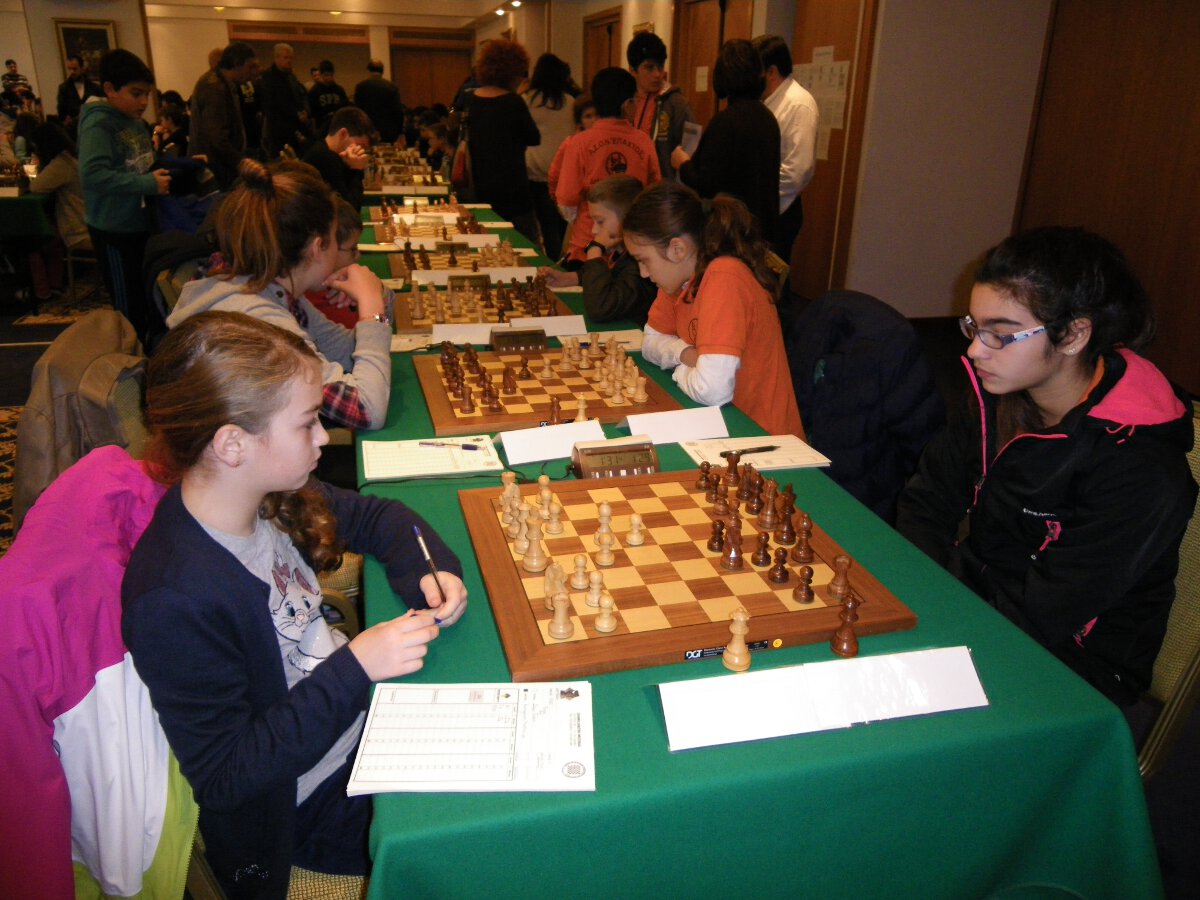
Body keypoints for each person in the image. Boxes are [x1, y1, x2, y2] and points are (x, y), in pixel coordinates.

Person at [122, 310, 466, 899]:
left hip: (360, 721)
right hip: (308, 805)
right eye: (307, 423)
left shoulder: (269, 494)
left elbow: (379, 516)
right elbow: (229, 775)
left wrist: (430, 572)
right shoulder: (174, 598)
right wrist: (355, 667)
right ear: (233, 443)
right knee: (489, 835)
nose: (324, 437)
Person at [896, 227, 1196, 707]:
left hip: (1072, 664)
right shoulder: (998, 396)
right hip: (978, 604)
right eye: (974, 327)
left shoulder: (1139, 466)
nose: (975, 350)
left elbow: (1046, 612)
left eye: (1001, 334)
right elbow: (928, 502)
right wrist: (914, 595)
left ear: (1074, 335)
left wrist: (933, 622)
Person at [166, 159, 392, 431]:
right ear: (317, 247)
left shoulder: (270, 287)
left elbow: (347, 352)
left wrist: (377, 297)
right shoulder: (258, 318)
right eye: (334, 238)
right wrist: (371, 311)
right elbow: (366, 409)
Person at [624, 181, 803, 439]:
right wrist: (686, 354)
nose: (643, 273)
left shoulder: (724, 278)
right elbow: (650, 342)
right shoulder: (679, 278)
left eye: (644, 260)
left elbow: (712, 390)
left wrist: (680, 369)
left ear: (677, 249)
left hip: (761, 436)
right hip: (720, 424)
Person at [78, 49, 170, 339]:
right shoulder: (99, 123)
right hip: (114, 230)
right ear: (109, 89)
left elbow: (142, 165)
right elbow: (92, 175)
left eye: (147, 95)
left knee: (147, 299)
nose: (144, 102)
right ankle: (131, 359)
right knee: (128, 307)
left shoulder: (135, 122)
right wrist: (147, 184)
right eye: (136, 93)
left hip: (140, 224)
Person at [672, 39, 780, 247]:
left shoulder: (726, 122)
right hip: (763, 227)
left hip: (732, 230)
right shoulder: (768, 118)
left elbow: (707, 185)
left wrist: (682, 163)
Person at [554, 68, 660, 267]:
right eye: (636, 100)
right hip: (630, 252)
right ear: (627, 105)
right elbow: (654, 193)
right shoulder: (644, 142)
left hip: (586, 246)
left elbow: (566, 200)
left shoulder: (579, 142)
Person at [539, 175, 656, 326]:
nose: (594, 230)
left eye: (600, 222)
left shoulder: (639, 264)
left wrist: (594, 249)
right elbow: (614, 277)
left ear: (626, 219)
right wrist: (569, 278)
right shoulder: (621, 253)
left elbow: (600, 308)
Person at [465, 38, 541, 245]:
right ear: (513, 72)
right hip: (512, 185)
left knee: (486, 242)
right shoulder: (513, 102)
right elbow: (534, 137)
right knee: (523, 244)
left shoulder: (471, 100)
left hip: (480, 183)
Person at [753, 34, 818, 261]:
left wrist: (763, 203)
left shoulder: (798, 103)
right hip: (765, 204)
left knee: (772, 274)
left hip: (780, 208)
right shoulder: (769, 102)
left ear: (771, 71)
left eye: (755, 71)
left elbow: (797, 170)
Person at [21, 122, 88, 302]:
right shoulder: (74, 157)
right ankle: (54, 284)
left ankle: (41, 289)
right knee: (48, 235)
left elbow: (36, 186)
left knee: (34, 239)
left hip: (77, 229)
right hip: (86, 220)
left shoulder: (62, 164)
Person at [523, 53, 577, 262]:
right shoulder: (570, 102)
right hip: (564, 173)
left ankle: (553, 263)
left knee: (546, 226)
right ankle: (563, 261)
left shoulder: (527, 101)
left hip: (535, 173)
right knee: (563, 225)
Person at [626, 32, 694, 179]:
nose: (658, 74)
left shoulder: (677, 103)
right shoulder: (627, 103)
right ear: (632, 70)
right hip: (632, 186)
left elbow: (691, 149)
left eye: (660, 66)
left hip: (666, 187)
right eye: (649, 68)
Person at [190, 42, 258, 189]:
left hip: (220, 165)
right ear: (237, 64)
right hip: (216, 168)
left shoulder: (223, 83)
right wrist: (241, 162)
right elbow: (216, 137)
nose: (253, 72)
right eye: (250, 66)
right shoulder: (214, 87)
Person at [301, 105, 372, 210]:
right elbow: (350, 210)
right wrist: (356, 170)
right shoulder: (325, 158)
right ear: (343, 134)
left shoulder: (322, 149)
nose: (360, 150)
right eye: (359, 145)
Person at [258, 43, 312, 159]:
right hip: (278, 129)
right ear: (277, 57)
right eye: (286, 57)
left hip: (294, 126)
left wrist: (304, 111)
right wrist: (296, 113)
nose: (289, 61)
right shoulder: (268, 77)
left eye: (291, 58)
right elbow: (274, 103)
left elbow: (299, 96)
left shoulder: (291, 76)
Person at [353, 59, 403, 144]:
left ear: (369, 71)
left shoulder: (361, 87)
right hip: (388, 129)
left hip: (367, 129)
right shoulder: (391, 87)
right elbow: (398, 111)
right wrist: (400, 131)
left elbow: (357, 110)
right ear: (382, 71)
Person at [55, 55, 104, 135]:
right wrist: (65, 120)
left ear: (82, 68)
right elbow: (61, 110)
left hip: (94, 127)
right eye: (69, 69)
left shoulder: (94, 87)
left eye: (74, 69)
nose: (72, 72)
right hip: (74, 131)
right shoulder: (64, 88)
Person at [308, 60, 348, 135]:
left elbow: (345, 107)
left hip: (337, 126)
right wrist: (314, 130)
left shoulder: (339, 90)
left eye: (331, 75)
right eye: (326, 75)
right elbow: (312, 114)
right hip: (322, 126)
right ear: (321, 74)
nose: (329, 77)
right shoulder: (314, 91)